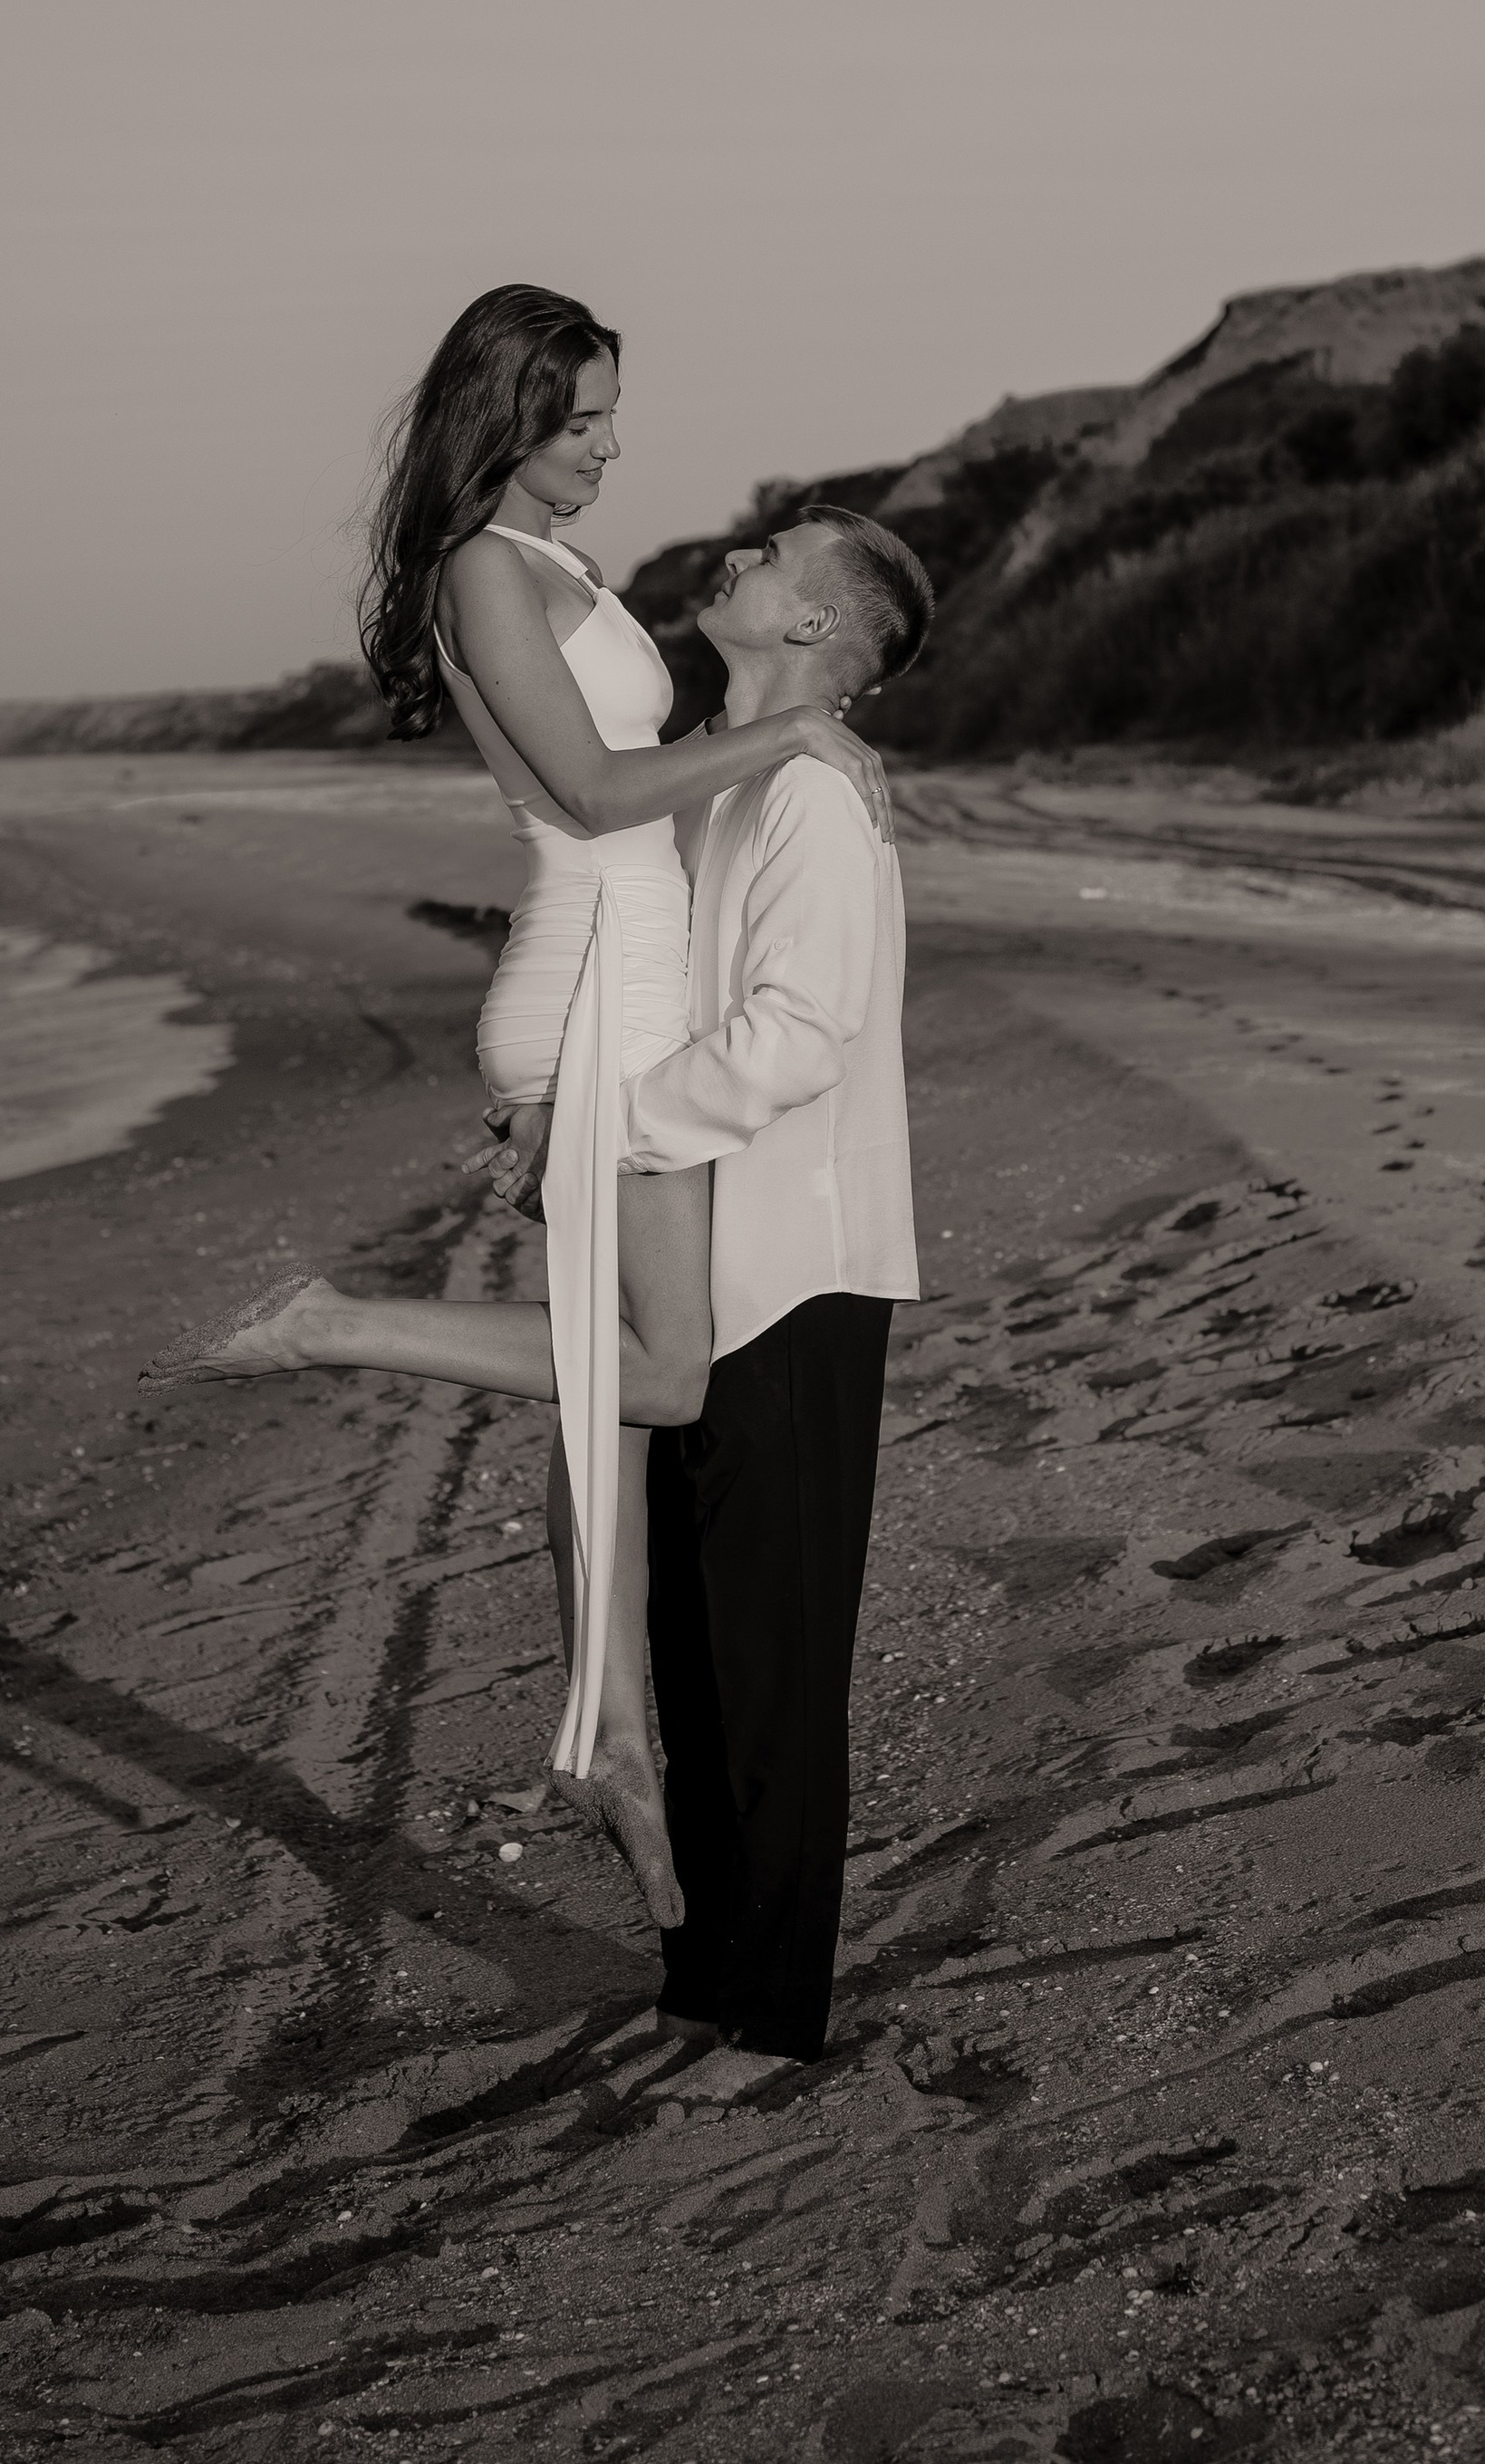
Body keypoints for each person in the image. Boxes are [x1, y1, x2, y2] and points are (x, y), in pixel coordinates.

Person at [143, 285, 890, 1924]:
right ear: (508, 418)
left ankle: (611, 1735)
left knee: (608, 1390)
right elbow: (602, 795)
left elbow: (628, 791)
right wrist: (798, 739)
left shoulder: (556, 566)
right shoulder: (484, 568)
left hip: (619, 973)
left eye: (615, 413)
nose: (613, 445)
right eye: (583, 419)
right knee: (667, 1371)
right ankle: (331, 1323)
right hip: (597, 979)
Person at [516, 505, 932, 2065]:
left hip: (793, 1270)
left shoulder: (816, 798)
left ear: (816, 627)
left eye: (774, 555)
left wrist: (606, 1134)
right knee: (691, 1652)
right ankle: (700, 1981)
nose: (740, 556)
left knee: (770, 1668)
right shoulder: (713, 771)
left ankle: (767, 2014)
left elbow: (798, 1035)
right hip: (682, 1261)